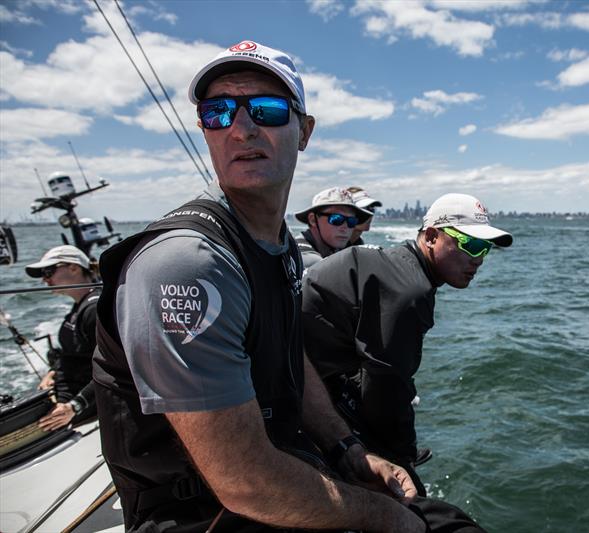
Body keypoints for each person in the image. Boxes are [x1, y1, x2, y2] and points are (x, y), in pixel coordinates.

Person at [92, 40, 484, 532]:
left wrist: (348, 449)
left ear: (305, 131)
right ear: (204, 131)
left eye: (267, 109)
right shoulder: (186, 265)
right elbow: (245, 482)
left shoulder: (276, 246)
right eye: (218, 112)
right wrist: (385, 518)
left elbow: (285, 352)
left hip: (278, 474)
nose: (241, 127)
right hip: (206, 516)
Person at [302, 193, 513, 494]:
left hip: (309, 363)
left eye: (484, 249)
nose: (477, 259)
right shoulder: (409, 291)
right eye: (470, 244)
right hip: (296, 379)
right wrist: (403, 459)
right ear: (431, 236)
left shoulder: (401, 266)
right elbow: (385, 389)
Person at [25, 245, 99, 430]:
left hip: (85, 405)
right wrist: (53, 373)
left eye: (48, 271)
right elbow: (74, 355)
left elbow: (116, 368)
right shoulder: (80, 307)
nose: (45, 279)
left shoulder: (94, 310)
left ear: (74, 267)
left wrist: (75, 406)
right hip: (67, 397)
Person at [294, 187, 372, 269]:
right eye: (337, 219)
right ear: (313, 220)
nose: (345, 228)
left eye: (351, 221)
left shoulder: (336, 248)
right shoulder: (306, 257)